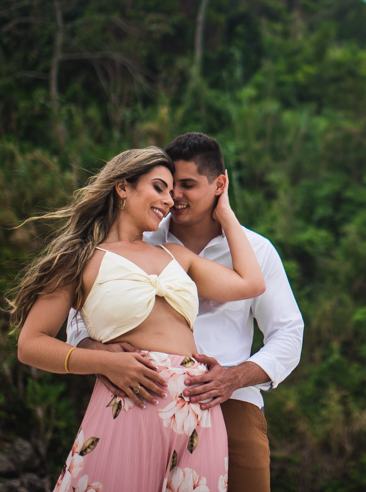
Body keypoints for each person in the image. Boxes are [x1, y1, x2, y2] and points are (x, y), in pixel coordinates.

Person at [10, 147, 265, 492]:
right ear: (122, 187)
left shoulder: (175, 255)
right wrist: (103, 363)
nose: (169, 200)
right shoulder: (79, 258)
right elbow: (30, 345)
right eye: (159, 188)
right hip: (129, 403)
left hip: (197, 413)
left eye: (172, 192)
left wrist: (226, 213)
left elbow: (251, 283)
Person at [67, 133, 305, 492]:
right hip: (142, 395)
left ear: (220, 184)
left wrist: (234, 378)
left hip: (232, 402)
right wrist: (97, 353)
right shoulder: (141, 239)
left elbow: (288, 332)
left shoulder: (256, 250)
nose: (174, 196)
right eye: (168, 186)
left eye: (188, 185)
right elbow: (79, 312)